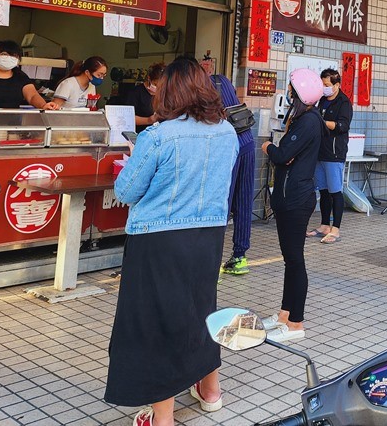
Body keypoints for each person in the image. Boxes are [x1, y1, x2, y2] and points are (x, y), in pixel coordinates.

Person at [104, 57, 239, 426]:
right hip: (208, 236)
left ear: (168, 92)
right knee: (201, 310)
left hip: (158, 239)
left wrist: (135, 158)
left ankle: (162, 417)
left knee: (155, 321)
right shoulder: (227, 132)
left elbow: (127, 190)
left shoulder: (157, 136)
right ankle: (211, 391)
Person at [259, 68, 325, 343]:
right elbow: (287, 156)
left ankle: (296, 323)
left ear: (298, 94)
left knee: (295, 260)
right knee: (290, 259)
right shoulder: (301, 119)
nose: (286, 93)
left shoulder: (309, 121)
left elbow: (283, 153)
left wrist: (268, 148)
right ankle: (285, 314)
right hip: (290, 195)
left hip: (297, 197)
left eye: (289, 89)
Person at [211, 73, 257, 275]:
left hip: (230, 146)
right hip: (247, 142)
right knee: (244, 201)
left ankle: (212, 264)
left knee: (223, 203)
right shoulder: (223, 80)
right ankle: (239, 257)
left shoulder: (207, 84)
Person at [307, 68, 353, 244]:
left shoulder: (344, 103)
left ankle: (336, 229)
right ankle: (324, 225)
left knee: (335, 192)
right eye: (322, 85)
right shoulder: (322, 100)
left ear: (337, 85)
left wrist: (323, 123)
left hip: (334, 153)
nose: (324, 88)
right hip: (320, 151)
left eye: (327, 85)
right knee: (324, 191)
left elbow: (343, 125)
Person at [123, 63, 165, 131]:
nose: (158, 89)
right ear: (149, 78)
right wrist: (148, 120)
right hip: (140, 133)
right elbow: (127, 118)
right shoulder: (135, 93)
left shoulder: (164, 94)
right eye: (155, 84)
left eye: (162, 86)